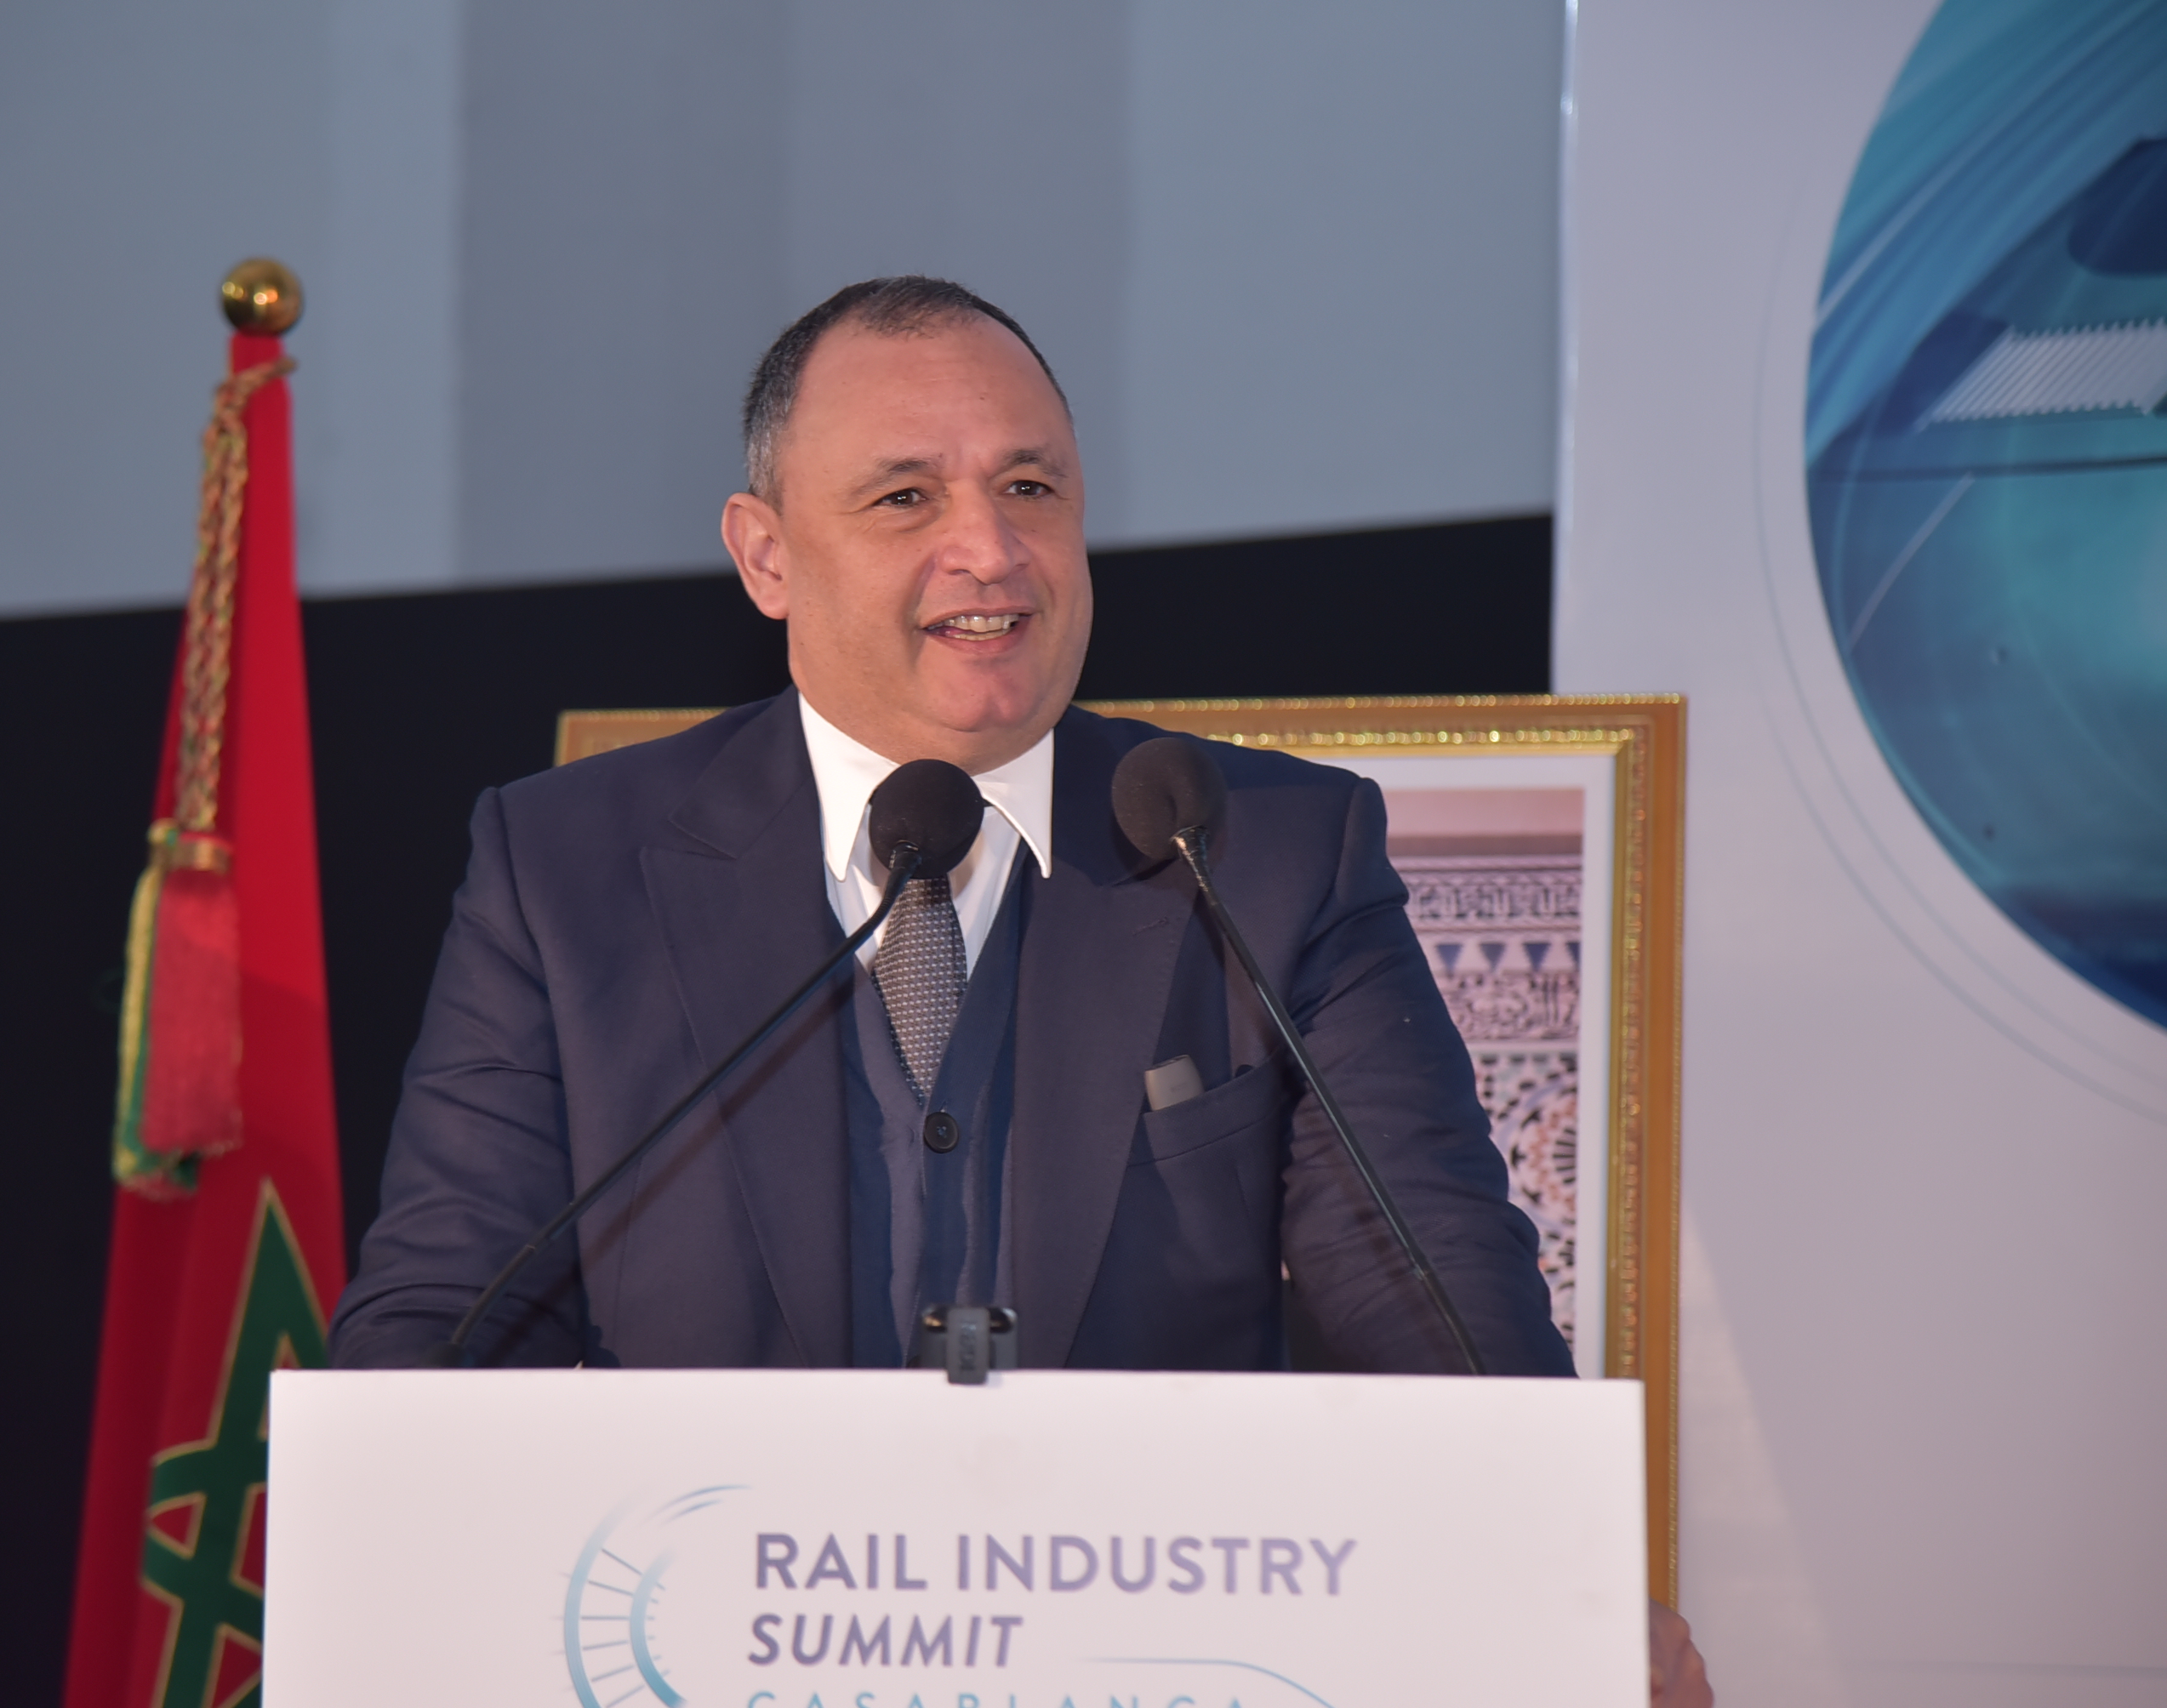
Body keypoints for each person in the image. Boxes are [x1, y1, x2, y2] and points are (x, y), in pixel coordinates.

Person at [330, 277, 1708, 1698]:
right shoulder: (567, 869)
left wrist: (1563, 1575)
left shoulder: (1268, 852)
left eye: (1030, 487)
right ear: (767, 556)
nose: (990, 551)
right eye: (906, 498)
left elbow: (1433, 1288)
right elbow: (442, 1329)